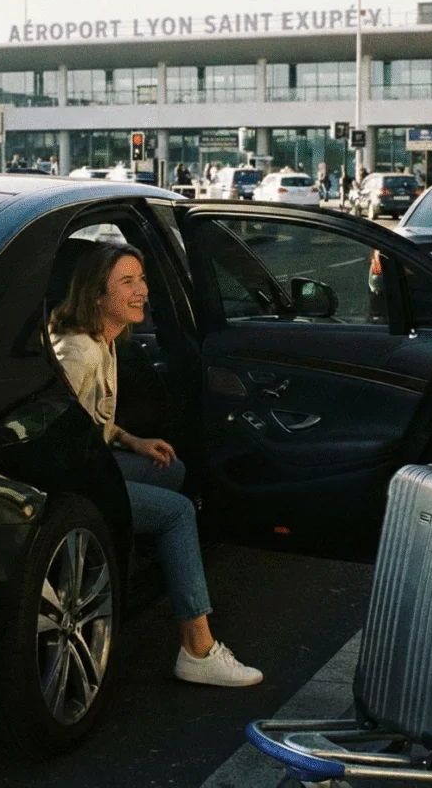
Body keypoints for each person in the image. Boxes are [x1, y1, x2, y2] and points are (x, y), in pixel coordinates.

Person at [49, 243, 263, 688]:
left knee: (174, 471)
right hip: (78, 483)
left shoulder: (104, 341)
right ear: (96, 296)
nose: (142, 290)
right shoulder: (80, 352)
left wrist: (132, 440)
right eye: (127, 282)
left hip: (95, 464)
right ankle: (198, 649)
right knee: (178, 512)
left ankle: (142, 567)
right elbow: (59, 437)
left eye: (141, 279)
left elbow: (92, 421)